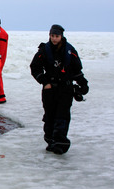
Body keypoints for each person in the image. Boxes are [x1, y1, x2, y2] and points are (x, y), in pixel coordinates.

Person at [30, 24, 89, 154]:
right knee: (50, 116)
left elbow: (77, 70)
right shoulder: (44, 50)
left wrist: (83, 84)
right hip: (50, 89)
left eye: (56, 36)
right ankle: (51, 140)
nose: (54, 39)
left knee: (62, 116)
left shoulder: (70, 50)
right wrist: (44, 82)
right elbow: (34, 67)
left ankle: (60, 143)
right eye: (52, 36)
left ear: (61, 36)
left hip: (65, 89)